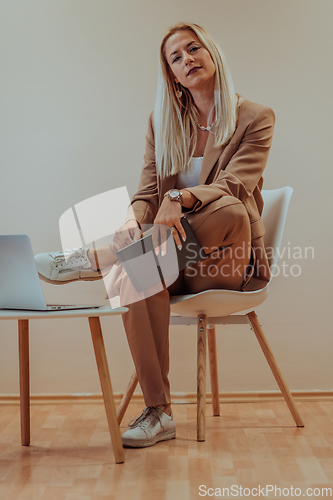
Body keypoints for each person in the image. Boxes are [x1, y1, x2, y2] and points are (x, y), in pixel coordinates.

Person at [35, 22, 275, 448]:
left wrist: (181, 197)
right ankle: (159, 412)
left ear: (212, 53)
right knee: (137, 269)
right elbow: (147, 192)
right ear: (172, 75)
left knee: (230, 208)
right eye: (176, 58)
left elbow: (236, 185)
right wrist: (132, 218)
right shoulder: (162, 122)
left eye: (193, 48)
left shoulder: (254, 116)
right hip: (167, 259)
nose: (187, 60)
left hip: (224, 260)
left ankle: (96, 257)